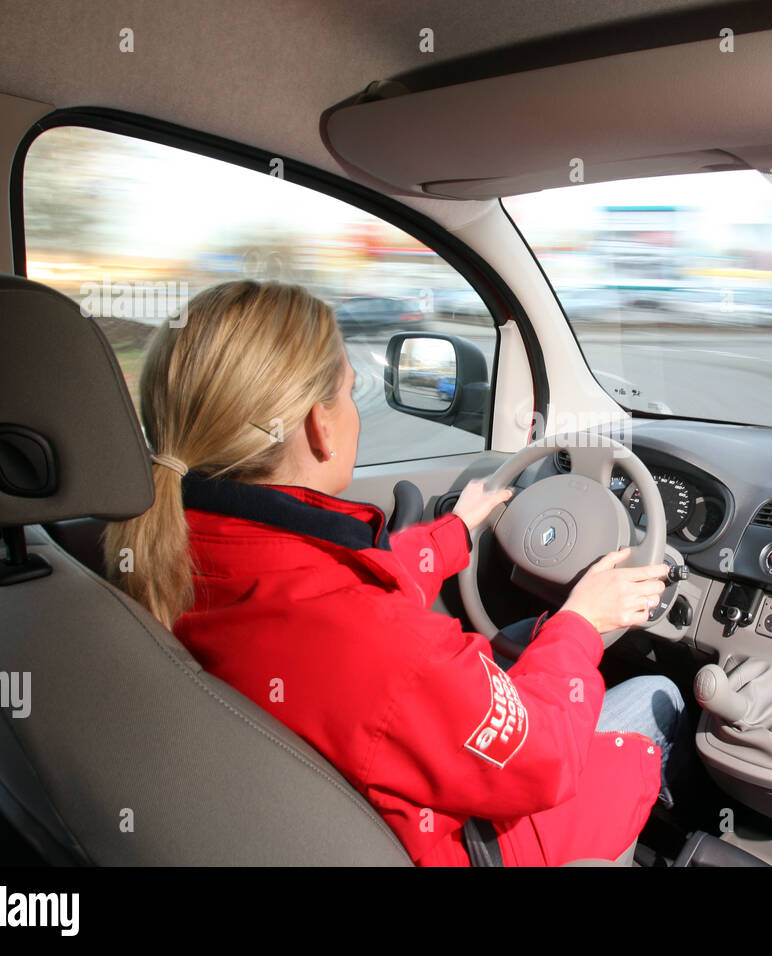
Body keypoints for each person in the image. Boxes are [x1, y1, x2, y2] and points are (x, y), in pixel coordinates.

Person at [105, 279, 688, 866]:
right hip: (475, 842)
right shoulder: (366, 640)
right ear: (319, 428)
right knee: (658, 695)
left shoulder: (184, 551)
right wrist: (581, 621)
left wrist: (455, 532)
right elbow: (544, 755)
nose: (354, 413)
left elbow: (345, 594)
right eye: (350, 394)